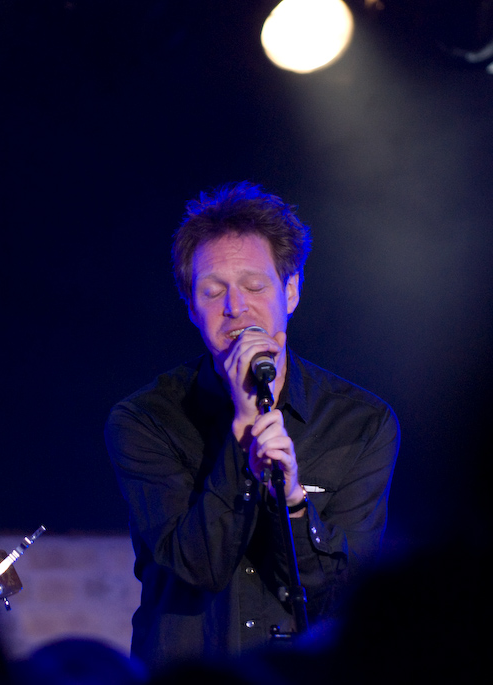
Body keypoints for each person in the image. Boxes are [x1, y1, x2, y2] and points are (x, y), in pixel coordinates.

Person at [104, 182, 398, 672]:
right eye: (212, 290)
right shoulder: (145, 419)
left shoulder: (360, 422)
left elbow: (347, 597)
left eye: (255, 286)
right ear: (191, 306)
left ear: (291, 291)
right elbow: (194, 569)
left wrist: (294, 502)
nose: (235, 306)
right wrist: (243, 429)